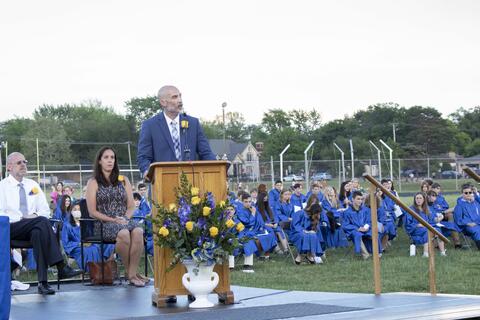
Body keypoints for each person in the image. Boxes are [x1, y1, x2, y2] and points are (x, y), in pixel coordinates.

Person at [0, 152, 82, 295]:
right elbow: (1, 212)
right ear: (9, 167)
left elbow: (45, 211)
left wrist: (33, 216)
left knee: (39, 231)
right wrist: (22, 218)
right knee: (42, 223)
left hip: (34, 226)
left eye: (25, 161)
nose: (23, 164)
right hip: (11, 227)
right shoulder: (2, 186)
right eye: (19, 162)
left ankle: (42, 283)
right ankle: (61, 266)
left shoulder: (33, 185)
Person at [86, 147, 146, 287]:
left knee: (138, 231)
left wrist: (125, 218)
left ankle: (131, 274)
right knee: (124, 233)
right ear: (100, 161)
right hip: (104, 223)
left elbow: (131, 206)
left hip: (123, 220)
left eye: (112, 157)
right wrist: (113, 220)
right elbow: (92, 211)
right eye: (106, 157)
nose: (110, 160)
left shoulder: (123, 180)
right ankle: (132, 274)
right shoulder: (93, 182)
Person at [137, 85, 216, 177]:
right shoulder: (150, 125)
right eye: (174, 97)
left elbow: (206, 153)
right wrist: (147, 171)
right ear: (163, 102)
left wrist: (216, 168)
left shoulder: (193, 123)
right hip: (162, 181)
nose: (180, 100)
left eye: (180, 96)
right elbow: (143, 157)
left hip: (191, 182)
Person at [62, 201, 115, 271]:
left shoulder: (86, 222)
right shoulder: (67, 225)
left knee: (97, 247)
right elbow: (66, 242)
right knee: (88, 251)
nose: (77, 211)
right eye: (75, 210)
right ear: (71, 212)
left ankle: (99, 270)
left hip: (90, 244)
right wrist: (79, 244)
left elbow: (92, 236)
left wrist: (89, 242)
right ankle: (91, 270)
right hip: (76, 247)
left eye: (79, 210)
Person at [405, 192, 446, 257]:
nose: (418, 200)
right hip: (416, 230)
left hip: (426, 227)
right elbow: (408, 224)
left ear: (424, 199)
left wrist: (437, 219)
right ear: (414, 200)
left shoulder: (426, 209)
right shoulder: (411, 210)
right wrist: (418, 225)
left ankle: (443, 252)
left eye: (420, 198)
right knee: (427, 231)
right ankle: (425, 253)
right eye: (417, 198)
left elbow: (431, 220)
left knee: (438, 230)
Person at [453, 183, 480, 250]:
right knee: (477, 230)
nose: (468, 194)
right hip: (468, 225)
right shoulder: (460, 205)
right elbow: (458, 219)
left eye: (470, 192)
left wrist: (476, 192)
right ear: (462, 194)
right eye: (466, 193)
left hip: (478, 222)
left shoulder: (476, 202)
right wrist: (468, 223)